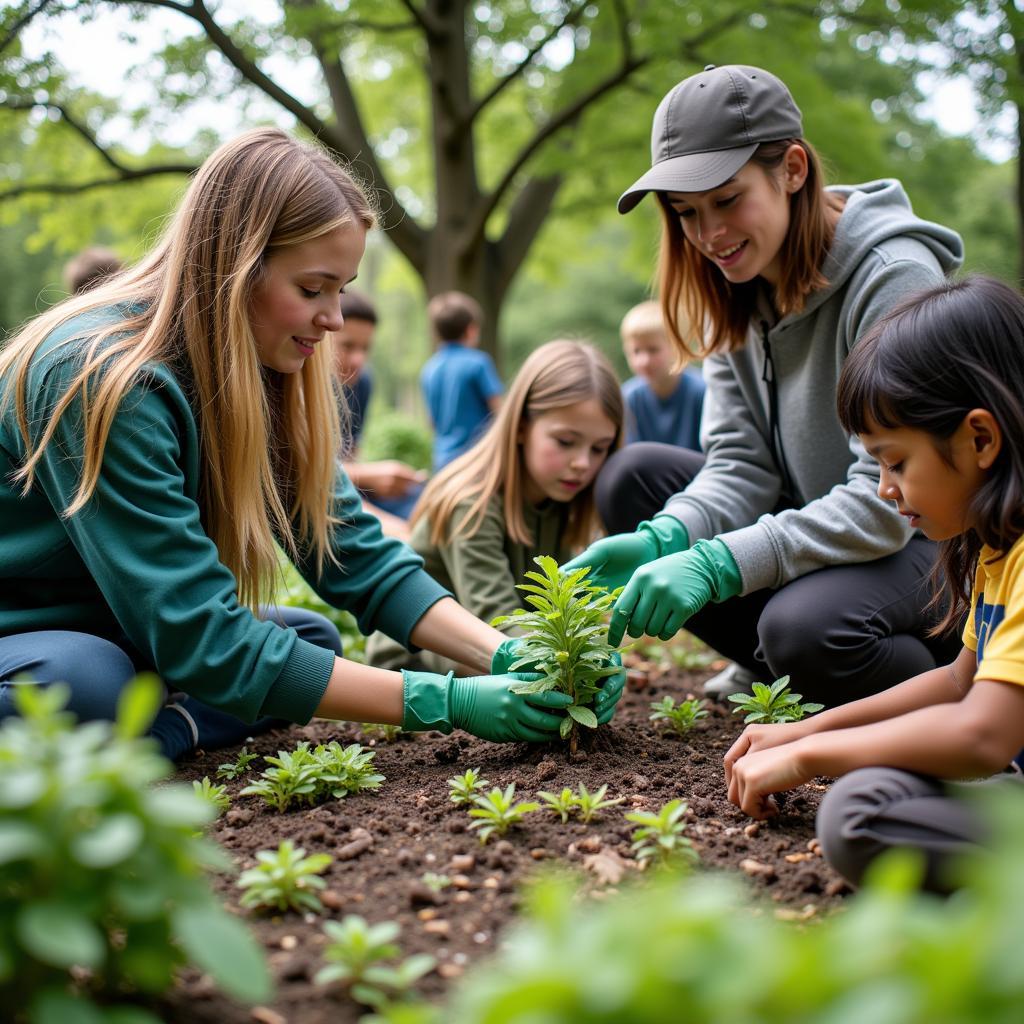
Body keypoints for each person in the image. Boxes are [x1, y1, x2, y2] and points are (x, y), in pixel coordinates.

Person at [0, 128, 577, 761]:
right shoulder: (102, 377)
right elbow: (206, 639)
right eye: (312, 289)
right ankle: (158, 731)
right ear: (234, 266)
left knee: (309, 639)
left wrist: (504, 652)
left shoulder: (263, 368)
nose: (333, 318)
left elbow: (348, 550)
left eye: (342, 288)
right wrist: (446, 702)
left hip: (126, 625)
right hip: (32, 636)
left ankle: (152, 727)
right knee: (83, 683)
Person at [564, 64, 964, 708]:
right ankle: (787, 668)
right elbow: (742, 463)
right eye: (686, 213)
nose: (708, 235)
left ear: (793, 170)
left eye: (727, 200)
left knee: (805, 630)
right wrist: (668, 538)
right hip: (824, 536)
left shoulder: (893, 278)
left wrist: (719, 563)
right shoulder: (734, 288)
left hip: (929, 550)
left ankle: (916, 689)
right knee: (634, 481)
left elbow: (891, 500)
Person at [724, 276, 1024, 893]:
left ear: (981, 438)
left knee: (859, 816)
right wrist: (806, 729)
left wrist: (808, 758)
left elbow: (982, 733)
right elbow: (958, 681)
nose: (885, 488)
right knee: (867, 797)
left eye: (896, 462)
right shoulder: (999, 547)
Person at [367, 339, 625, 708]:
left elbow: (575, 612)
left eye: (598, 448)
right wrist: (569, 670)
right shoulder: (472, 501)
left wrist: (597, 661)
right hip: (416, 664)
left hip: (501, 653)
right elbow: (494, 621)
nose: (582, 462)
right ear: (520, 426)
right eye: (566, 441)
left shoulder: (565, 503)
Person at [331, 289, 426, 540]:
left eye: (366, 348)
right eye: (348, 346)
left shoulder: (362, 383)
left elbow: (350, 455)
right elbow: (298, 473)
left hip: (347, 485)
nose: (358, 359)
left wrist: (380, 479)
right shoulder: (295, 388)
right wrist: (371, 475)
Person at [420, 291, 503, 472]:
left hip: (443, 462)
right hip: (477, 461)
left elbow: (432, 422)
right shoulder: (478, 363)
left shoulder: (429, 369)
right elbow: (499, 411)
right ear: (471, 330)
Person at [620, 299, 705, 451]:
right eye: (636, 351)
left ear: (678, 347)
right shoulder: (629, 397)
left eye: (653, 350)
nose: (644, 361)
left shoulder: (701, 391)